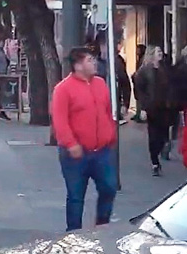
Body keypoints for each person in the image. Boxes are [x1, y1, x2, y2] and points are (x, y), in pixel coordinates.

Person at [51, 47, 118, 232]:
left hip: (101, 150)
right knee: (75, 195)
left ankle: (102, 225)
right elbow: (60, 121)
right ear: (78, 65)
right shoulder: (63, 89)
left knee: (109, 188)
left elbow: (106, 112)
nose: (94, 63)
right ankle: (74, 232)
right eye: (89, 60)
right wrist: (71, 144)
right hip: (76, 153)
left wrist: (110, 134)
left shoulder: (100, 84)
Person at [133, 45, 173, 176]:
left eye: (160, 51)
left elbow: (170, 86)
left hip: (164, 106)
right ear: (152, 54)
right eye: (158, 52)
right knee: (154, 135)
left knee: (163, 134)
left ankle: (161, 149)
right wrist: (143, 108)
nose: (160, 54)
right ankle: (154, 161)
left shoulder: (164, 69)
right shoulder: (145, 71)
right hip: (151, 107)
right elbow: (140, 89)